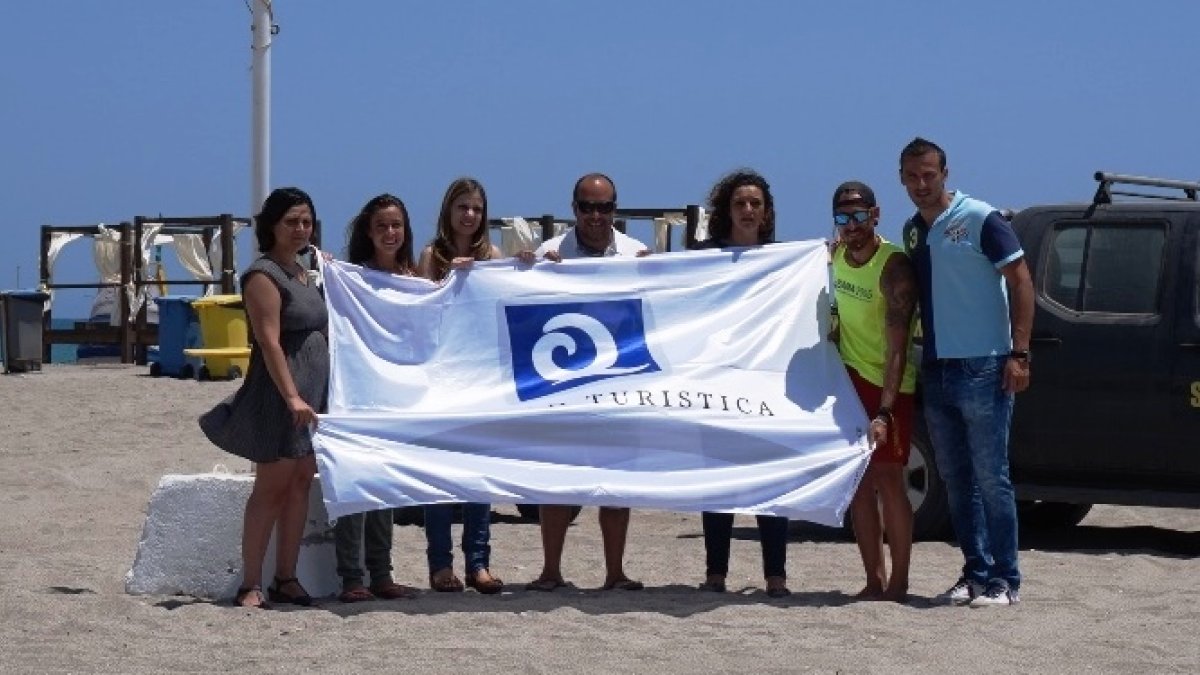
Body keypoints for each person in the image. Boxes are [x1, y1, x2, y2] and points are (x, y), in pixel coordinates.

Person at [899, 137, 1033, 607]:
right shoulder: (913, 231)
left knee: (992, 476)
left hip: (986, 365)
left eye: (929, 174)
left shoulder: (981, 218)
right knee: (957, 479)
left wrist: (1020, 354)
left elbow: (1021, 281)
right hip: (936, 367)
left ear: (945, 173)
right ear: (902, 179)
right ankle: (974, 573)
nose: (921, 184)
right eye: (912, 176)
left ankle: (1006, 580)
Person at [199, 187, 328, 609]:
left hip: (313, 394)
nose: (300, 228)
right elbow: (270, 342)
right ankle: (250, 583)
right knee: (270, 487)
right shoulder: (263, 275)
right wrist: (291, 395)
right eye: (291, 221)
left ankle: (286, 577)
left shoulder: (306, 273)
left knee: (298, 486)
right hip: (279, 394)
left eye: (306, 221)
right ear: (271, 225)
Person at [523, 172, 649, 592]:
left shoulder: (636, 253)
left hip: (619, 383)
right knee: (558, 480)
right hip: (561, 384)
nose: (596, 215)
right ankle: (551, 570)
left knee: (615, 484)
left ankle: (615, 572)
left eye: (605, 207)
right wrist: (534, 270)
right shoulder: (550, 251)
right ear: (573, 208)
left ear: (616, 209)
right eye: (587, 206)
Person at [689, 169, 791, 599]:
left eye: (755, 204)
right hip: (717, 379)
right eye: (739, 203)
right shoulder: (704, 258)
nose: (748, 211)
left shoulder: (785, 261)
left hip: (766, 382)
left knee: (771, 479)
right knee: (719, 479)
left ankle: (776, 576)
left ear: (766, 212)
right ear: (726, 210)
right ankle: (716, 573)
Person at [828, 180, 919, 603]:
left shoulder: (893, 265)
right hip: (849, 382)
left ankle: (899, 582)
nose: (852, 224)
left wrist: (885, 412)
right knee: (859, 483)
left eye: (859, 215)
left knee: (889, 480)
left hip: (889, 386)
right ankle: (873, 579)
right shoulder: (834, 257)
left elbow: (898, 348)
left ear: (876, 215)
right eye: (843, 217)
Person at [415, 178, 505, 595]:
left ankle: (479, 563)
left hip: (482, 379)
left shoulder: (494, 256)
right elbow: (420, 313)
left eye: (476, 208)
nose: (470, 215)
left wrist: (521, 267)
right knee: (440, 477)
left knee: (479, 477)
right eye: (462, 207)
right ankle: (440, 564)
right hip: (442, 377)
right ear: (448, 211)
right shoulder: (432, 256)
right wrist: (447, 279)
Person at [331, 194, 420, 603]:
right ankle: (352, 577)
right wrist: (329, 272)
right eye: (382, 225)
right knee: (354, 482)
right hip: (357, 392)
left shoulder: (415, 280)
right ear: (369, 231)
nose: (390, 233)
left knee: (383, 486)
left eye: (396, 225)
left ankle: (382, 573)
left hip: (395, 398)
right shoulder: (351, 280)